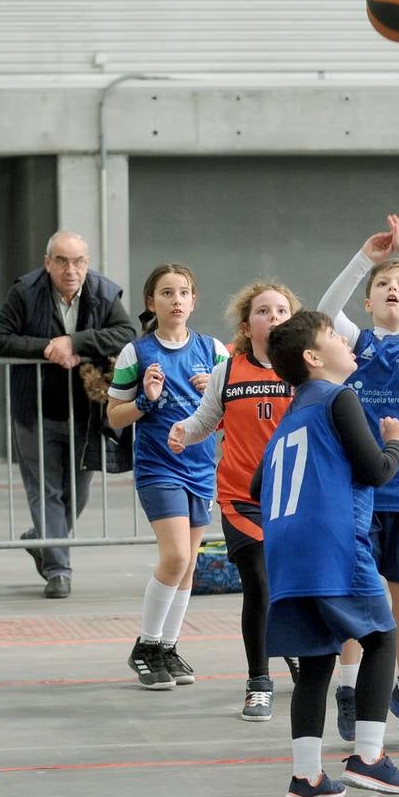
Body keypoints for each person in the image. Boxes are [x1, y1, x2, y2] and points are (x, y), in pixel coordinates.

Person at [252, 310, 399, 797]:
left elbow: (257, 486)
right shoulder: (339, 397)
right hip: (334, 544)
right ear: (313, 358)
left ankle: (306, 777)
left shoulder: (291, 416)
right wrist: (396, 443)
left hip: (286, 553)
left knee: (316, 659)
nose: (346, 340)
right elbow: (374, 471)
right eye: (333, 336)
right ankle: (368, 757)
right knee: (382, 635)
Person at [317, 214, 399, 741]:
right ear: (369, 303)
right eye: (382, 286)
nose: (392, 289)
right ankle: (348, 689)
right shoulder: (354, 346)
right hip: (358, 490)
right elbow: (323, 312)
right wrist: (362, 262)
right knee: (356, 592)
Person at [168, 281, 302, 719]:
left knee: (293, 586)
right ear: (247, 325)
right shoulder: (229, 371)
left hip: (296, 499)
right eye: (264, 311)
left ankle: (296, 649)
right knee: (260, 584)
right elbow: (207, 418)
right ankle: (258, 680)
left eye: (282, 310)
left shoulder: (305, 371)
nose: (274, 317)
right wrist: (184, 431)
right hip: (241, 497)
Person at [0, 230, 135, 599]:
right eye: (63, 261)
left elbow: (126, 333)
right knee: (45, 491)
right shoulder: (25, 291)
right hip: (34, 410)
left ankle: (42, 539)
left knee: (78, 494)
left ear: (87, 263)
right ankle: (58, 570)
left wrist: (76, 343)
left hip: (85, 409)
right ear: (48, 263)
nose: (71, 270)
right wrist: (48, 348)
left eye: (79, 261)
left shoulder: (103, 292)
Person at [107, 264, 228, 690]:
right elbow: (115, 415)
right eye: (166, 293)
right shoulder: (136, 353)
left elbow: (231, 417)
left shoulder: (215, 352)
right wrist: (146, 399)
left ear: (194, 301)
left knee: (190, 564)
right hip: (159, 466)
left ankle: (168, 647)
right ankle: (146, 644)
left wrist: (212, 394)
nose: (176, 300)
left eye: (184, 293)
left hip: (200, 468)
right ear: (150, 302)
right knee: (175, 556)